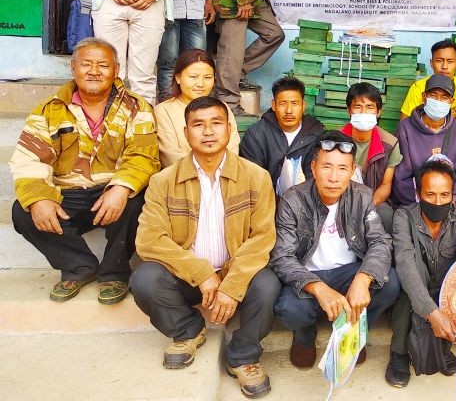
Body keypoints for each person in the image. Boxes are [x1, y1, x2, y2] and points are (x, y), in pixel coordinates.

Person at [131, 96, 278, 398]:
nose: (208, 132)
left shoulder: (256, 177)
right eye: (198, 125)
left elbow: (262, 237)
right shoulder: (163, 181)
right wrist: (200, 272)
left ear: (229, 129)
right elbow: (149, 239)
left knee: (267, 284)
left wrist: (231, 284)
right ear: (186, 133)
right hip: (187, 277)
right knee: (144, 279)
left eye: (216, 123)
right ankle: (187, 329)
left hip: (233, 273)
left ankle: (244, 355)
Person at [10, 38, 158, 304]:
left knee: (140, 199)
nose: (94, 71)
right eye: (86, 64)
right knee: (23, 210)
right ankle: (79, 266)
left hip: (112, 192)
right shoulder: (48, 111)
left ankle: (115, 272)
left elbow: (143, 156)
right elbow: (29, 160)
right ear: (73, 68)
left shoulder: (136, 107)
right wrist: (40, 197)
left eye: (103, 65)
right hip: (68, 194)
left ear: (116, 70)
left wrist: (122, 187)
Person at [272, 131, 400, 369]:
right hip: (309, 276)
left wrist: (363, 278)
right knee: (289, 309)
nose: (333, 177)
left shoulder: (361, 195)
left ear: (352, 171)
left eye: (342, 169)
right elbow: (282, 256)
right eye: (326, 167)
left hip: (348, 272)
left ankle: (351, 331)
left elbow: (380, 241)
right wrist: (319, 288)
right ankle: (304, 335)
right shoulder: (293, 199)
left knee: (390, 282)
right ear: (313, 167)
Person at [386, 160, 456, 387]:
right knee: (407, 281)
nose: (438, 202)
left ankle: (441, 347)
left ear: (452, 194)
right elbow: (405, 262)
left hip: (446, 288)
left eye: (445, 195)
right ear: (418, 194)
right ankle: (398, 352)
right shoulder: (403, 217)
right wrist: (433, 313)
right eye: (430, 194)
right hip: (414, 287)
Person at [393, 75, 456, 206]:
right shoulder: (405, 128)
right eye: (433, 95)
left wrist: (452, 200)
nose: (438, 101)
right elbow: (401, 175)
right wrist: (421, 202)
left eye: (444, 97)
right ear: (424, 97)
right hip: (414, 203)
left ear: (451, 101)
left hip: (449, 203)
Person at [239, 76, 324, 196]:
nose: (289, 110)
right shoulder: (256, 135)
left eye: (295, 103)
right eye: (283, 103)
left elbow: (318, 179)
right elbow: (251, 180)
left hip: (306, 204)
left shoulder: (316, 134)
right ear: (273, 105)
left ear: (303, 105)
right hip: (266, 203)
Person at [154, 48, 240, 168]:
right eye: (193, 77)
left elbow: (232, 151)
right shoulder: (163, 111)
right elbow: (170, 157)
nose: (200, 84)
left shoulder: (222, 108)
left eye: (207, 77)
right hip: (182, 181)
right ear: (178, 78)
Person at [342, 82, 402, 232]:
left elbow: (386, 185)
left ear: (378, 112)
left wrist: (367, 206)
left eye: (369, 107)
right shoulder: (336, 140)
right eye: (358, 107)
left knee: (386, 215)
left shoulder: (390, 144)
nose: (363, 113)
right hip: (339, 198)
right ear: (349, 111)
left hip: (374, 200)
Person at [400, 40, 456, 130]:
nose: (444, 66)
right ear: (431, 63)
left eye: (450, 61)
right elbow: (405, 124)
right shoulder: (418, 87)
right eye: (439, 61)